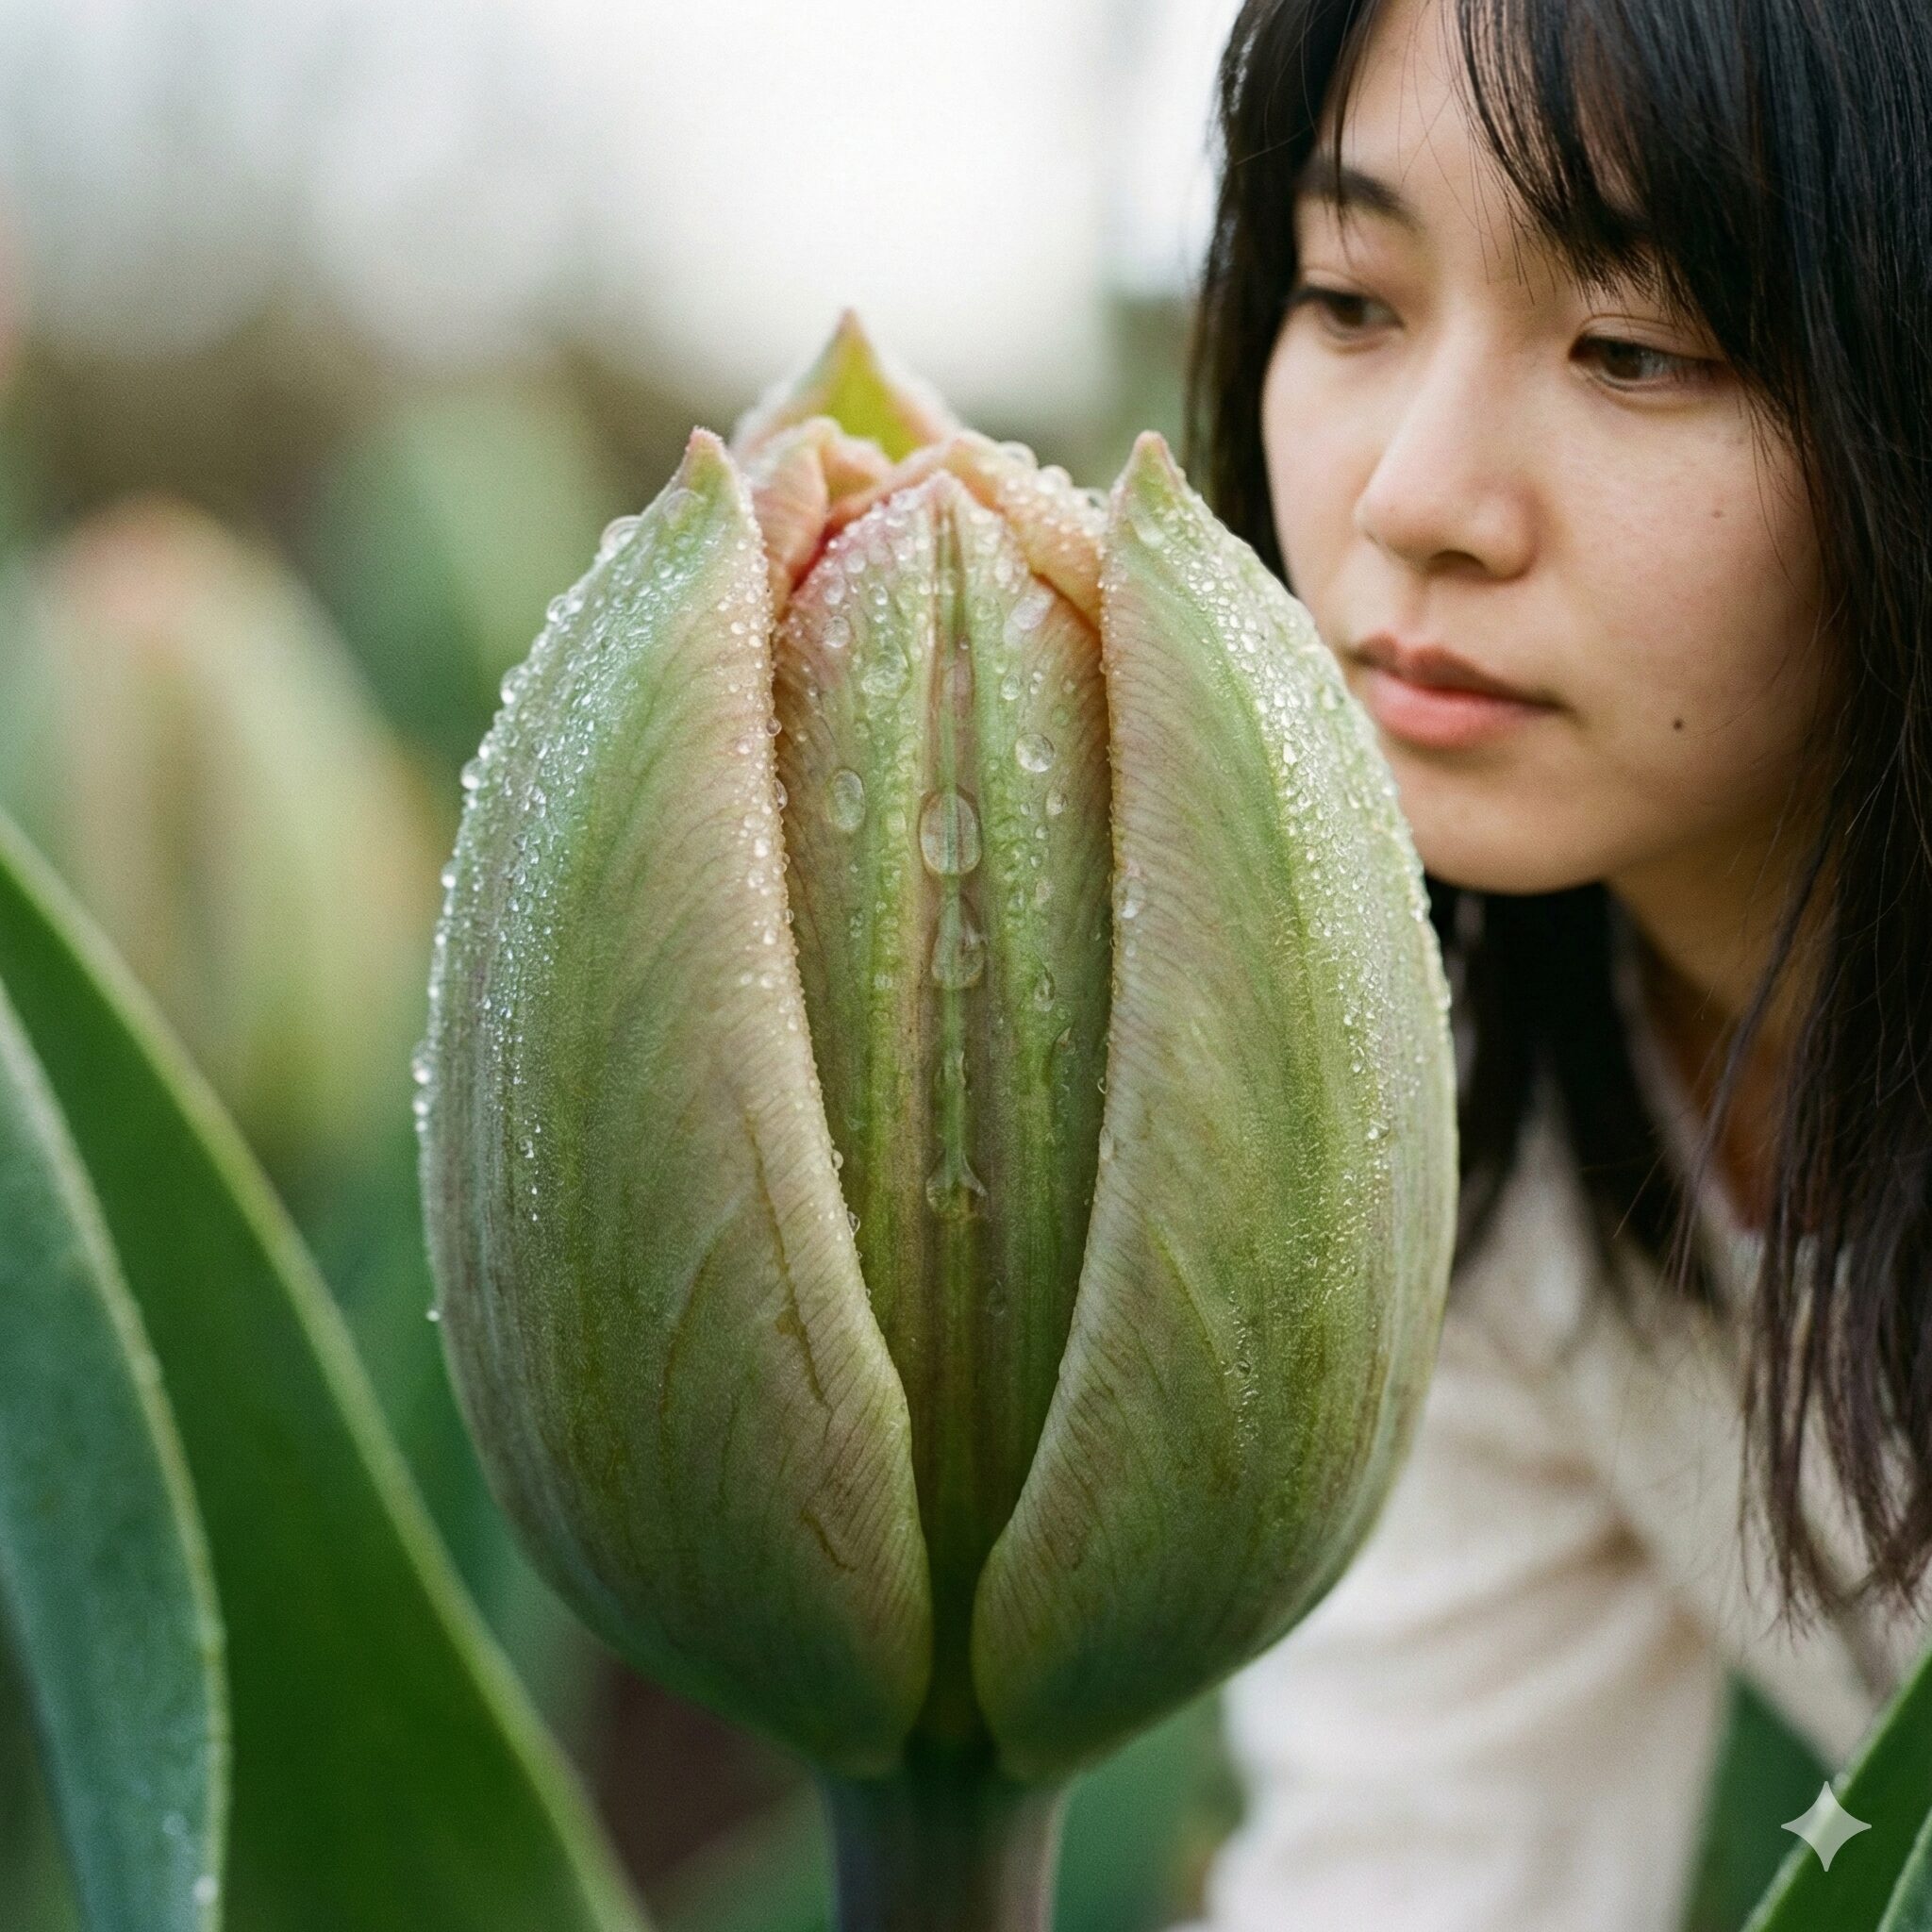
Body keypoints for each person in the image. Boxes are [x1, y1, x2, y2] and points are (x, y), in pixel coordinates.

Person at [1176, 0, 1932, 1924]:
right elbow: (1419, 1858)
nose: (1415, 500)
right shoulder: (1462, 1095)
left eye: (1632, 348)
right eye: (1349, 299)